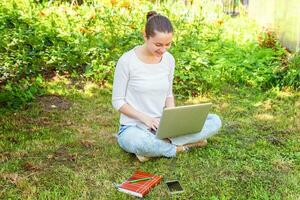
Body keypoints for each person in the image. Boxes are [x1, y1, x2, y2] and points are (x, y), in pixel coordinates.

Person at [112, 11, 222, 162]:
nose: (163, 50)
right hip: (134, 128)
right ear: (145, 36)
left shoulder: (169, 60)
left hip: (162, 127)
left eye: (167, 44)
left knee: (215, 121)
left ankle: (160, 147)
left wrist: (172, 122)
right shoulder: (127, 61)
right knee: (139, 142)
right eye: (158, 44)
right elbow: (118, 101)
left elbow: (168, 94)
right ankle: (179, 147)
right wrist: (146, 119)